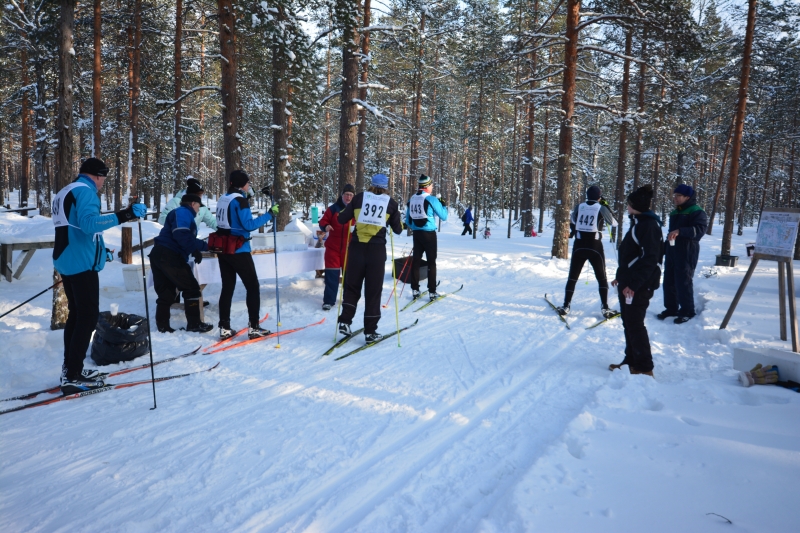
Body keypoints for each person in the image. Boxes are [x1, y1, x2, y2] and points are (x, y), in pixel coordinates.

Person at [52, 157, 146, 393]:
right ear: (96, 175)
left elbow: (76, 229)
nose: (103, 182)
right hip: (81, 263)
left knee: (77, 315)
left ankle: (70, 368)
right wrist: (125, 215)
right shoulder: (85, 191)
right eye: (103, 177)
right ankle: (72, 375)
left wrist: (100, 251)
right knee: (87, 317)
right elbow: (89, 224)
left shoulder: (67, 190)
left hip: (69, 258)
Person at [336, 174, 403, 342]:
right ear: (386, 187)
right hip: (376, 251)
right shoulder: (391, 203)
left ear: (371, 185)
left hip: (357, 248)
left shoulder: (359, 198)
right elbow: (398, 230)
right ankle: (370, 331)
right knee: (373, 291)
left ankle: (345, 321)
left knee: (352, 287)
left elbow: (341, 218)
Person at [215, 170, 278, 340]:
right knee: (252, 286)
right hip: (238, 249)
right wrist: (269, 215)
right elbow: (249, 225)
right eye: (248, 183)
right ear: (243, 185)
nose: (249, 186)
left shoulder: (223, 198)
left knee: (227, 287)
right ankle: (254, 327)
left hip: (223, 248)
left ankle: (224, 327)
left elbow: (231, 217)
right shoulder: (240, 201)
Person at [609, 184, 663, 377]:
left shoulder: (648, 226)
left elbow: (650, 259)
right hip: (630, 281)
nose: (627, 206)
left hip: (639, 285)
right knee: (629, 323)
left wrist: (634, 284)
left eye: (630, 203)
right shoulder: (639, 222)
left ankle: (644, 367)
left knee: (635, 324)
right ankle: (631, 360)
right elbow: (631, 256)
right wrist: (621, 277)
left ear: (636, 205)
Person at [149, 193, 212, 333]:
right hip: (170, 255)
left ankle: (163, 325)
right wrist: (194, 250)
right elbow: (181, 233)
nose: (199, 210)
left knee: (166, 292)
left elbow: (186, 237)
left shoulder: (181, 213)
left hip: (159, 253)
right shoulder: (183, 212)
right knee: (192, 288)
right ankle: (195, 323)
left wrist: (204, 246)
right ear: (193, 204)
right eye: (198, 207)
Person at [556, 185, 618, 318]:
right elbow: (614, 223)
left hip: (579, 245)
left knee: (572, 277)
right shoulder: (601, 207)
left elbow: (572, 220)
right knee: (601, 278)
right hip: (595, 246)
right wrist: (606, 206)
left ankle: (566, 305)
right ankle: (605, 307)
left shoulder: (580, 206)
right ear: (599, 197)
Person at [658, 184, 708, 324]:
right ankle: (671, 308)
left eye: (678, 196)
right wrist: (663, 248)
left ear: (687, 197)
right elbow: (672, 232)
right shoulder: (675, 212)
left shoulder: (696, 211)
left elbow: (700, 230)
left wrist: (680, 231)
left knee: (683, 281)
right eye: (674, 196)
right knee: (669, 280)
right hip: (673, 249)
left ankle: (687, 310)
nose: (675, 198)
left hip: (687, 249)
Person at [405, 174, 448, 301]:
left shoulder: (412, 199)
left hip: (417, 234)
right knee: (431, 263)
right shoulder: (431, 199)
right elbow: (444, 216)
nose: (432, 187)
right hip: (429, 234)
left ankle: (415, 289)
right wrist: (443, 204)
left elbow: (408, 221)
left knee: (416, 261)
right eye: (431, 185)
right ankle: (432, 291)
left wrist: (416, 226)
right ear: (427, 186)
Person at [319, 183, 356, 311]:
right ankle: (329, 301)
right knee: (332, 275)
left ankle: (349, 300)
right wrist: (326, 226)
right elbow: (323, 221)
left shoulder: (356, 210)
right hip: (333, 248)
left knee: (349, 277)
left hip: (349, 248)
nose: (348, 197)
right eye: (346, 194)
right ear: (342, 195)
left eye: (351, 195)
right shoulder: (333, 208)